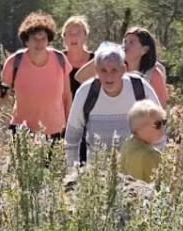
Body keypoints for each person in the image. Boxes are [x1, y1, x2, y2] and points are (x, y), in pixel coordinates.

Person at [63, 42, 147, 170]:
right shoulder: (86, 92)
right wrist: (72, 174)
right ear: (96, 70)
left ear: (123, 69)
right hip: (96, 175)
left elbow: (159, 129)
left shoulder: (139, 88)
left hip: (136, 175)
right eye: (103, 70)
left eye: (114, 70)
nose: (109, 76)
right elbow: (71, 139)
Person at [0, 12, 71, 138]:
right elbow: (4, 96)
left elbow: (66, 95)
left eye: (43, 38)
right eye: (35, 39)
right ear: (26, 41)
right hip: (22, 131)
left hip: (55, 132)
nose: (39, 43)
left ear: (48, 40)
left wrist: (70, 126)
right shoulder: (14, 62)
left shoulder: (60, 60)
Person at [119, 97, 168, 182]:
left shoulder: (127, 145)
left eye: (163, 122)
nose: (162, 127)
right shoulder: (152, 156)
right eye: (158, 124)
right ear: (140, 128)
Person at [123, 26, 170, 106]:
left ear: (144, 50)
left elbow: (161, 105)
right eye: (125, 42)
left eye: (131, 42)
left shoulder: (153, 75)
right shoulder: (117, 71)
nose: (125, 46)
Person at [62, 16, 94, 101]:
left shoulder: (95, 61)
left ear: (85, 35)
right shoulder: (57, 59)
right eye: (70, 33)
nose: (74, 37)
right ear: (64, 37)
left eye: (78, 33)